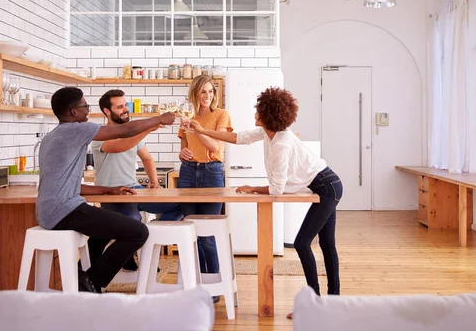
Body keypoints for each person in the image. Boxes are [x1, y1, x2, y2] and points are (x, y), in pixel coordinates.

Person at [184, 87, 343, 319]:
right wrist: (202, 129)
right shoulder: (268, 132)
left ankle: (314, 304)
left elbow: (277, 190)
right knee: (326, 245)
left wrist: (253, 188)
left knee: (304, 243)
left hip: (328, 186)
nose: (255, 112)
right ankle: (326, 303)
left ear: (267, 114)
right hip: (325, 184)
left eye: (258, 109)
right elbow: (237, 138)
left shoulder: (281, 143)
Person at [37, 87, 175, 293]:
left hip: (50, 210)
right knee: (138, 232)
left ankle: (80, 274)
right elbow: (126, 130)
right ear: (73, 112)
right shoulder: (76, 130)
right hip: (64, 210)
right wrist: (159, 119)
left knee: (103, 232)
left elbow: (69, 185)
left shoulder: (51, 138)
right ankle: (91, 281)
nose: (88, 111)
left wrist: (108, 190)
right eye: (85, 106)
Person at [89, 89, 183, 271]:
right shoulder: (100, 135)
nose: (125, 109)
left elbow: (146, 158)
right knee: (133, 221)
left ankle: (151, 240)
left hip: (135, 189)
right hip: (111, 193)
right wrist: (147, 129)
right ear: (107, 111)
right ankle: (128, 252)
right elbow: (120, 147)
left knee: (178, 205)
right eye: (120, 107)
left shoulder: (133, 134)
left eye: (126, 105)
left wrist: (154, 182)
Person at [177, 75, 232, 281]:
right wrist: (182, 154)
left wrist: (198, 130)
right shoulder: (187, 117)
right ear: (195, 93)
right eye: (203, 91)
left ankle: (214, 282)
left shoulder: (221, 115)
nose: (207, 96)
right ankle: (196, 281)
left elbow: (215, 146)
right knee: (190, 231)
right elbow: (184, 148)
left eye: (210, 91)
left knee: (208, 235)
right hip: (188, 173)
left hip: (212, 172)